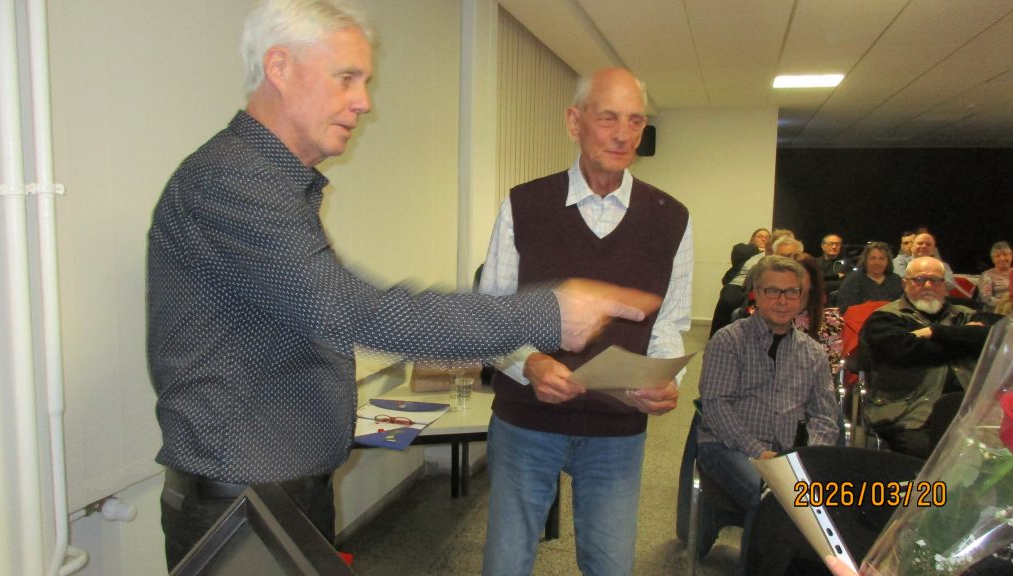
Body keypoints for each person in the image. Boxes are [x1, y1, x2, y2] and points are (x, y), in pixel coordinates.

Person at [146, 2, 658, 569]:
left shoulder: (272, 184)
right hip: (242, 499)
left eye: (364, 81)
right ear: (280, 67)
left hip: (276, 488)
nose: (364, 101)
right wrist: (549, 313)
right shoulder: (233, 180)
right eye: (347, 78)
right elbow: (353, 311)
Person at [478, 67, 691, 576]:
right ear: (575, 122)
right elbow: (491, 317)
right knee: (506, 563)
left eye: (635, 121)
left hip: (617, 428)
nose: (623, 134)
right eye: (608, 118)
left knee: (610, 565)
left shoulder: (671, 218)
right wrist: (529, 364)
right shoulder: (524, 204)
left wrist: (666, 379)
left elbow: (669, 322)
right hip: (527, 421)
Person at [698, 255, 839, 575]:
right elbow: (717, 407)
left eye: (791, 292)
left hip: (789, 454)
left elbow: (825, 416)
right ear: (756, 295)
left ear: (802, 298)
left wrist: (810, 457)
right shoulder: (728, 340)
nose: (782, 300)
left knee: (830, 502)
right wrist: (760, 453)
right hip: (728, 448)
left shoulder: (813, 352)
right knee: (773, 499)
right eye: (772, 291)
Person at [861, 257, 991, 458]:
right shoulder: (884, 318)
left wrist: (934, 332)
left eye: (935, 280)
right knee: (939, 456)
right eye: (920, 279)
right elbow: (905, 352)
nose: (928, 285)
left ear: (945, 286)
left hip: (971, 414)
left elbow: (997, 335)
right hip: (909, 415)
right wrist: (965, 339)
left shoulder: (965, 314)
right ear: (905, 283)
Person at [710, 228, 769, 337]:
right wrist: (758, 249)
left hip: (755, 289)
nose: (764, 239)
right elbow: (737, 252)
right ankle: (718, 337)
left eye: (767, 237)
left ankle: (741, 337)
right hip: (737, 285)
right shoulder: (743, 249)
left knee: (750, 310)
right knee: (727, 301)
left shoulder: (771, 255)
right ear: (752, 239)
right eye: (760, 236)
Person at [836, 242, 904, 314]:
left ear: (888, 261)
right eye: (873, 258)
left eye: (882, 258)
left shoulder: (896, 280)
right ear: (865, 260)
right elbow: (845, 310)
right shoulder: (852, 280)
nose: (877, 263)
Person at [979, 241, 1011, 312]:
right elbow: (986, 298)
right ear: (993, 259)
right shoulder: (987, 275)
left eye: (1005, 255)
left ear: (1011, 256)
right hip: (995, 313)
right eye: (998, 256)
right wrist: (1005, 303)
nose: (1002, 258)